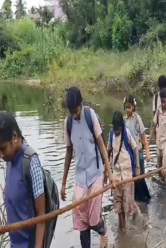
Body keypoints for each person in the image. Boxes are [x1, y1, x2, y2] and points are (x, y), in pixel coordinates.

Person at [61, 87, 116, 248]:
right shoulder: (68, 123)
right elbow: (68, 153)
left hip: (95, 175)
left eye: (76, 110)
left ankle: (103, 230)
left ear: (81, 104)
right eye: (71, 112)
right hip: (80, 179)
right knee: (81, 222)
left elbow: (102, 147)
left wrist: (110, 174)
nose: (74, 115)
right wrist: (64, 183)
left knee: (93, 221)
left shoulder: (90, 115)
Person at [0, 111, 46, 248]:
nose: (0, 155)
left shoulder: (31, 163)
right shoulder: (10, 159)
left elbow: (41, 217)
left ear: (14, 137)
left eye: (2, 149)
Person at [108, 111, 142, 230]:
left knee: (128, 205)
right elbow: (108, 151)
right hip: (116, 175)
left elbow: (136, 148)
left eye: (118, 127)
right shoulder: (111, 133)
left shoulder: (126, 132)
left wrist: (137, 167)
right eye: (114, 127)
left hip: (127, 174)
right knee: (118, 204)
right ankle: (122, 227)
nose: (116, 129)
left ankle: (136, 213)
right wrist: (106, 172)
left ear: (121, 125)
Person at [123, 95, 151, 203]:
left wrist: (147, 151)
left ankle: (144, 198)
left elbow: (143, 135)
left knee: (140, 175)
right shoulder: (124, 120)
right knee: (131, 176)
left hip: (138, 151)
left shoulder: (137, 118)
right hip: (129, 152)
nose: (128, 110)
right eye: (126, 107)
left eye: (129, 107)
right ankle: (134, 199)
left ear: (133, 107)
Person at [149, 88, 166, 183]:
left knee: (164, 170)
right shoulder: (158, 111)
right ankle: (161, 186)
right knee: (159, 169)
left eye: (164, 102)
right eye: (161, 102)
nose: (163, 104)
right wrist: (149, 141)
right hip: (158, 144)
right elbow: (154, 126)